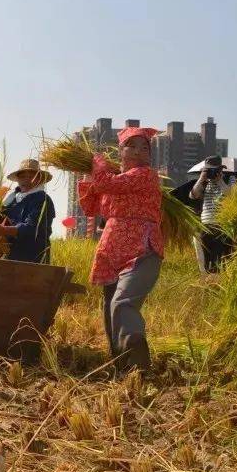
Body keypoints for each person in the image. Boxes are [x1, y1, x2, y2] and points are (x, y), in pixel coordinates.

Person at [77, 127, 164, 372]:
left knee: (122, 302)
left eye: (144, 147)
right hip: (112, 247)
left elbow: (105, 182)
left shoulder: (145, 175)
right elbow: (91, 206)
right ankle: (119, 362)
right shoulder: (117, 180)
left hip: (140, 246)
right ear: (121, 151)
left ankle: (137, 362)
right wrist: (90, 177)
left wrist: (98, 163)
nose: (138, 151)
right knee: (109, 305)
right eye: (132, 146)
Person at [0, 158, 56, 263]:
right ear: (18, 179)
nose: (26, 180)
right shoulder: (12, 199)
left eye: (31, 176)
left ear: (39, 179)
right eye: (23, 176)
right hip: (8, 257)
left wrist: (2, 230)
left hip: (32, 260)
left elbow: (32, 229)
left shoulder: (42, 200)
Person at [189, 155, 234, 273]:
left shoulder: (229, 178)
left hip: (223, 225)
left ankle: (221, 282)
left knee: (222, 259)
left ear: (221, 168)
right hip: (206, 226)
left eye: (214, 170)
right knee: (207, 260)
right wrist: (201, 179)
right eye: (208, 170)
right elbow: (193, 196)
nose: (211, 173)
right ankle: (210, 283)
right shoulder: (204, 181)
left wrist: (220, 182)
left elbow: (233, 197)